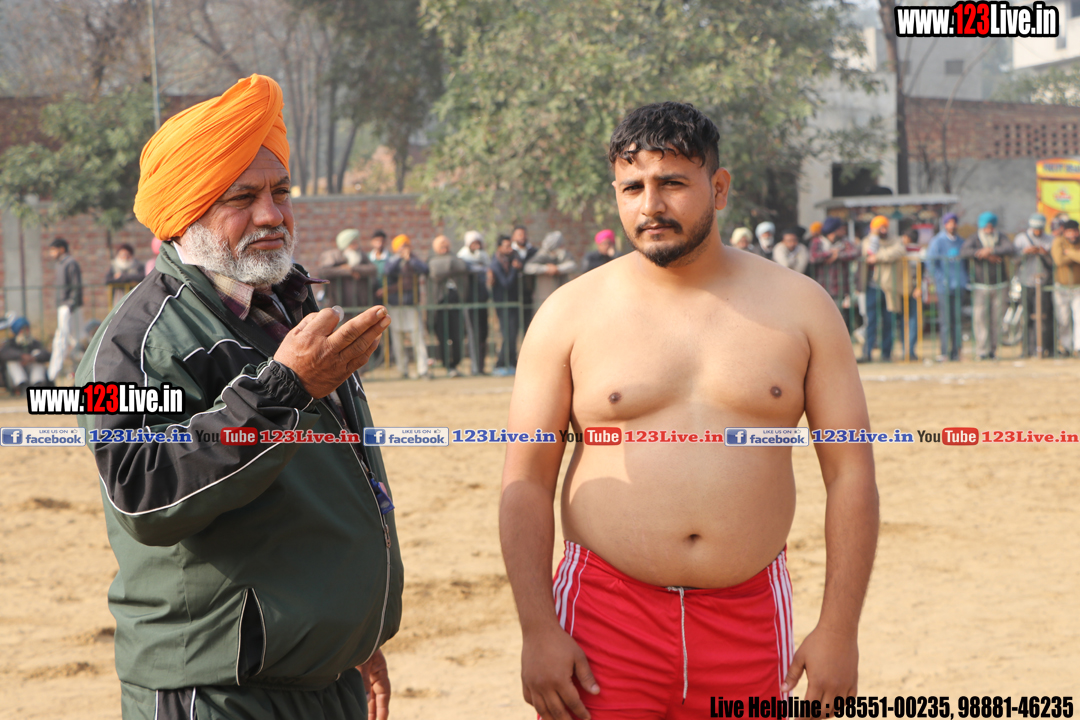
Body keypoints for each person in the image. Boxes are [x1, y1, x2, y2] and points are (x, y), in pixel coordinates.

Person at [501, 101, 878, 720]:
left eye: (672, 182)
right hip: (603, 620)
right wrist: (537, 629)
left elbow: (850, 473)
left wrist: (840, 629)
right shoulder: (568, 314)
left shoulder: (803, 308)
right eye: (633, 188)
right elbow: (526, 480)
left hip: (749, 620)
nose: (650, 205)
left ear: (719, 188)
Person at [74, 75, 401, 720]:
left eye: (281, 192)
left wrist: (351, 634)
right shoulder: (138, 343)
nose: (272, 215)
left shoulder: (288, 307)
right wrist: (283, 389)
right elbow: (143, 490)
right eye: (242, 197)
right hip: (219, 689)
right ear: (187, 212)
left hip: (322, 677)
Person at [961, 212, 1016, 360]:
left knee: (996, 319)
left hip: (999, 284)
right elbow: (964, 251)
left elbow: (1009, 248)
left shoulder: (1001, 237)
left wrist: (991, 250)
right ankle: (982, 350)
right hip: (980, 285)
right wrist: (981, 253)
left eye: (991, 226)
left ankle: (993, 349)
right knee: (980, 319)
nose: (989, 229)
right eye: (986, 226)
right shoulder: (974, 238)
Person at [385, 234, 431, 379]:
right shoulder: (392, 260)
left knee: (418, 337)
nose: (404, 248)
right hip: (395, 304)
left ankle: (422, 369)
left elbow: (424, 269)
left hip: (411, 303)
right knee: (397, 338)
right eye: (401, 246)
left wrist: (410, 259)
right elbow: (387, 272)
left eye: (406, 245)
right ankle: (402, 369)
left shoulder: (414, 259)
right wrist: (400, 258)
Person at [1012, 213, 1055, 357]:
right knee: (1027, 317)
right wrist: (1024, 253)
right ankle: (1027, 349)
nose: (1038, 231)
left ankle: (1045, 348)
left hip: (1044, 282)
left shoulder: (1050, 239)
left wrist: (1044, 253)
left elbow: (1054, 263)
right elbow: (1013, 260)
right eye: (1035, 228)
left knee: (1044, 317)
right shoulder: (1021, 239)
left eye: (1040, 228)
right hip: (1026, 282)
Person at [428, 234, 470, 377]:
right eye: (441, 246)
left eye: (446, 245)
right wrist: (451, 266)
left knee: (457, 335)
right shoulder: (432, 259)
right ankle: (447, 365)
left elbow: (462, 265)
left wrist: (448, 266)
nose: (444, 248)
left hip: (456, 302)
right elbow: (435, 271)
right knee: (443, 336)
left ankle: (456, 364)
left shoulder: (456, 258)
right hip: (440, 304)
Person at [926, 212, 966, 361]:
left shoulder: (961, 241)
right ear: (945, 224)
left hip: (959, 285)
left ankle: (956, 352)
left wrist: (965, 279)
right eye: (949, 223)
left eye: (954, 223)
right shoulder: (938, 241)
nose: (952, 226)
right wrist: (940, 279)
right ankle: (944, 352)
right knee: (946, 322)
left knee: (957, 321)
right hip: (944, 287)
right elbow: (930, 262)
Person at [808, 217, 860, 328]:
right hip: (822, 287)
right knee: (822, 318)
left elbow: (855, 252)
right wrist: (830, 253)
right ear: (835, 230)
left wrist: (838, 255)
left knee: (839, 319)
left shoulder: (844, 242)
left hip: (840, 288)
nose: (844, 231)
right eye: (841, 229)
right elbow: (813, 257)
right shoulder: (818, 241)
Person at [46, 237, 83, 382]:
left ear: (61, 249)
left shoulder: (70, 263)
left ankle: (53, 375)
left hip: (69, 307)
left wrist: (70, 304)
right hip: (64, 306)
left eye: (53, 250)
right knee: (70, 340)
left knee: (64, 339)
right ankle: (58, 374)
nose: (51, 253)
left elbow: (76, 285)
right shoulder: (61, 264)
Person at [318, 228, 378, 313]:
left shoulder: (361, 255)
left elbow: (373, 269)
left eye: (357, 243)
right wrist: (347, 271)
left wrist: (352, 269)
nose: (356, 246)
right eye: (353, 243)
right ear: (345, 244)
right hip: (339, 302)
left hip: (360, 302)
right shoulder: (333, 255)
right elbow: (324, 271)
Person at [859, 216, 893, 362]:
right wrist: (875, 235)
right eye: (880, 228)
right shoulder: (868, 240)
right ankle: (867, 353)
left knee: (888, 321)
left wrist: (878, 257)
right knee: (871, 321)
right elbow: (869, 252)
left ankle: (886, 354)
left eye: (885, 227)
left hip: (888, 287)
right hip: (871, 287)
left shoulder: (893, 240)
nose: (883, 231)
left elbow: (898, 251)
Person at [458, 230, 491, 375]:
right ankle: (475, 367)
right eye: (473, 243)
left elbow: (488, 269)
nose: (476, 246)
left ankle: (481, 367)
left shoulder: (483, 256)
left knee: (483, 333)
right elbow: (465, 269)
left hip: (482, 298)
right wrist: (479, 269)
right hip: (469, 299)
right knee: (473, 333)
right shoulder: (462, 256)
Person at [490, 234, 522, 375]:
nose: (510, 249)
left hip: (513, 302)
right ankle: (501, 363)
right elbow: (506, 283)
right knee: (507, 334)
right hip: (502, 303)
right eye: (507, 246)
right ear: (499, 247)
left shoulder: (513, 257)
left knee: (513, 334)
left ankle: (512, 363)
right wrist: (514, 269)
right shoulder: (496, 263)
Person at [524, 230, 577, 307]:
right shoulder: (542, 254)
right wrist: (546, 268)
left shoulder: (563, 254)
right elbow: (528, 267)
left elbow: (572, 265)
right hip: (544, 295)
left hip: (561, 292)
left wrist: (558, 269)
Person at [1051, 218, 1080, 357]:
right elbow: (1059, 260)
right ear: (1065, 232)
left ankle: (1078, 347)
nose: (1072, 234)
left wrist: (1069, 252)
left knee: (1079, 317)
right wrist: (1075, 256)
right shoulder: (1058, 242)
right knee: (1063, 319)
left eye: (1075, 231)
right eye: (1069, 232)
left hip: (1078, 286)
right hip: (1061, 287)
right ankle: (1066, 347)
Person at [1, 317, 50, 395]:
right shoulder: (10, 343)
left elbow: (46, 354)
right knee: (12, 363)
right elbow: (4, 353)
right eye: (22, 330)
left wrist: (33, 358)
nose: (25, 332)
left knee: (38, 361)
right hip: (15, 376)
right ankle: (22, 385)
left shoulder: (34, 343)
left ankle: (37, 385)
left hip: (31, 371)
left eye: (26, 329)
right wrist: (21, 356)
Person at [512, 225, 539, 330]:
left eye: (524, 234)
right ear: (514, 236)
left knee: (528, 325)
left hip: (528, 291)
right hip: (513, 292)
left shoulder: (533, 251)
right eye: (519, 234)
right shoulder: (510, 252)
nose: (522, 237)